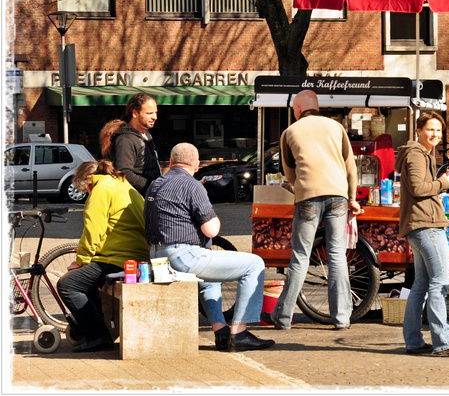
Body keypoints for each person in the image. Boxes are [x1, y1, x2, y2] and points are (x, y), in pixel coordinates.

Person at [145, 143, 275, 352]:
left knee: (210, 278)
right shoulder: (192, 185)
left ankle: (221, 331)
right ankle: (239, 332)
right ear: (196, 165)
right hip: (183, 256)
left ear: (171, 162)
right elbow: (211, 230)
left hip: (157, 256)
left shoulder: (156, 184)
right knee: (254, 263)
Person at [269, 90, 360, 330]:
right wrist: (352, 197)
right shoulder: (336, 127)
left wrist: (298, 187)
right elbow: (350, 165)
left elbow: (289, 171)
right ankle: (341, 318)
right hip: (338, 195)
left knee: (300, 256)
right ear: (317, 107)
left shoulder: (290, 132)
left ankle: (282, 317)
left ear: (297, 110)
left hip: (307, 196)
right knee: (337, 255)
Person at [394, 111, 449, 357]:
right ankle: (444, 343)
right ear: (418, 130)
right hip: (426, 224)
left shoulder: (420, 154)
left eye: (439, 130)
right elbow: (418, 188)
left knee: (421, 285)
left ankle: (414, 341)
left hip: (419, 224)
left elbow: (420, 186)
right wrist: (443, 184)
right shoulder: (416, 154)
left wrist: (439, 180)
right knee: (440, 283)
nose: (435, 134)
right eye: (430, 129)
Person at [56, 160, 150, 353]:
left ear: (90, 180)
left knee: (67, 285)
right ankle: (97, 330)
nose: (88, 193)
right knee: (85, 282)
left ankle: (99, 336)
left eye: (86, 189)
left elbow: (93, 230)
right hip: (138, 254)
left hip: (120, 258)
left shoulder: (101, 189)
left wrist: (81, 260)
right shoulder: (122, 183)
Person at [98, 93, 162, 194]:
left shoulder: (146, 135)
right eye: (149, 113)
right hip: (135, 201)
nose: (155, 117)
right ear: (135, 113)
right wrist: (151, 186)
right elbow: (123, 172)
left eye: (155, 112)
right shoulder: (125, 139)